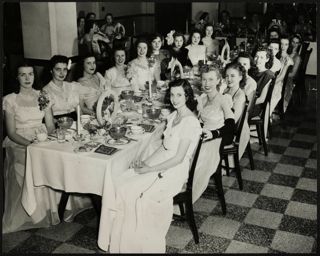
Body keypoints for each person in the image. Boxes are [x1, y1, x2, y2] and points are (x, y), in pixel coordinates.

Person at [109, 79, 202, 253]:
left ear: (187, 96)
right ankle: (127, 246)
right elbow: (163, 147)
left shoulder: (190, 122)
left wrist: (150, 169)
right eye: (172, 94)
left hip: (175, 170)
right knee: (124, 184)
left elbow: (179, 158)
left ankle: (145, 247)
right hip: (162, 162)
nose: (175, 99)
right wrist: (146, 161)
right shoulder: (173, 116)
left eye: (179, 95)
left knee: (141, 196)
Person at [3, 62, 56, 233]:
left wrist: (45, 140)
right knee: (26, 164)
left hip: (41, 138)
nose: (27, 78)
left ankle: (49, 208)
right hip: (20, 141)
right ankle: (34, 212)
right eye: (23, 74)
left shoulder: (43, 95)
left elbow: (50, 125)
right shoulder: (10, 100)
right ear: (16, 77)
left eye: (30, 74)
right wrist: (30, 145)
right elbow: (11, 132)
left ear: (35, 76)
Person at [192, 64, 235, 203]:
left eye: (211, 79)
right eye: (204, 79)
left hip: (214, 142)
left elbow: (231, 125)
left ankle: (186, 198)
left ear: (218, 80)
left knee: (190, 162)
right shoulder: (203, 98)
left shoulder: (223, 99)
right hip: (202, 137)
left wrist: (214, 134)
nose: (207, 83)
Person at [43, 55, 84, 121]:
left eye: (64, 69)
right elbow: (47, 119)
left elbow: (78, 110)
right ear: (51, 70)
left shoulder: (72, 86)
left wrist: (82, 122)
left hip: (76, 122)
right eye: (58, 69)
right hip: (58, 123)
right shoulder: (46, 91)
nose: (62, 73)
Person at [270, 35, 294, 118]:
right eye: (281, 44)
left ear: (289, 45)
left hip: (279, 84)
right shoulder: (276, 55)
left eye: (286, 44)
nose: (283, 47)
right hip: (274, 80)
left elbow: (280, 78)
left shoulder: (287, 59)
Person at [249, 46, 274, 118]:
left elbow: (261, 99)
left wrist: (244, 104)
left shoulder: (268, 75)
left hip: (255, 106)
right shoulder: (251, 71)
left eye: (262, 57)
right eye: (256, 56)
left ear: (267, 59)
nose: (258, 60)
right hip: (247, 101)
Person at [283, 34, 302, 112]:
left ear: (299, 44)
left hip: (289, 78)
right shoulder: (285, 53)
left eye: (296, 43)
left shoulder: (297, 58)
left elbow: (293, 74)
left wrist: (282, 75)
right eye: (293, 42)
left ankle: (283, 106)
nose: (294, 44)